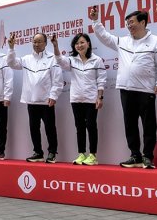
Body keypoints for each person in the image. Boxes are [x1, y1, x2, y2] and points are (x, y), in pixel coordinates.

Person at [90, 7, 157, 169]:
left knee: (149, 125)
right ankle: (135, 155)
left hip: (146, 90)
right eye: (127, 23)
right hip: (126, 89)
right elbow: (104, 37)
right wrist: (96, 21)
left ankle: (148, 156)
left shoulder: (156, 41)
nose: (129, 25)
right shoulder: (123, 41)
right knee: (130, 124)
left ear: (143, 22)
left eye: (131, 22)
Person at [7, 32, 63, 163]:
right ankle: (38, 152)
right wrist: (11, 48)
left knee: (50, 128)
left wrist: (53, 95)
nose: (36, 44)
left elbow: (58, 80)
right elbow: (11, 63)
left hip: (46, 101)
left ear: (45, 43)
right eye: (34, 41)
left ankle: (52, 152)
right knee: (34, 128)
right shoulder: (26, 59)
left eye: (39, 41)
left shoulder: (53, 58)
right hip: (31, 100)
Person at [52, 32, 107, 166]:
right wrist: (55, 45)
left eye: (82, 42)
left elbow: (101, 80)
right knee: (80, 127)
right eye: (77, 43)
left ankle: (93, 155)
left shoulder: (97, 60)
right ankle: (81, 154)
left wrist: (100, 97)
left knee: (91, 126)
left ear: (88, 44)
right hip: (76, 98)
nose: (79, 45)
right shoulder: (72, 60)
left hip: (91, 98)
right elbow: (60, 60)